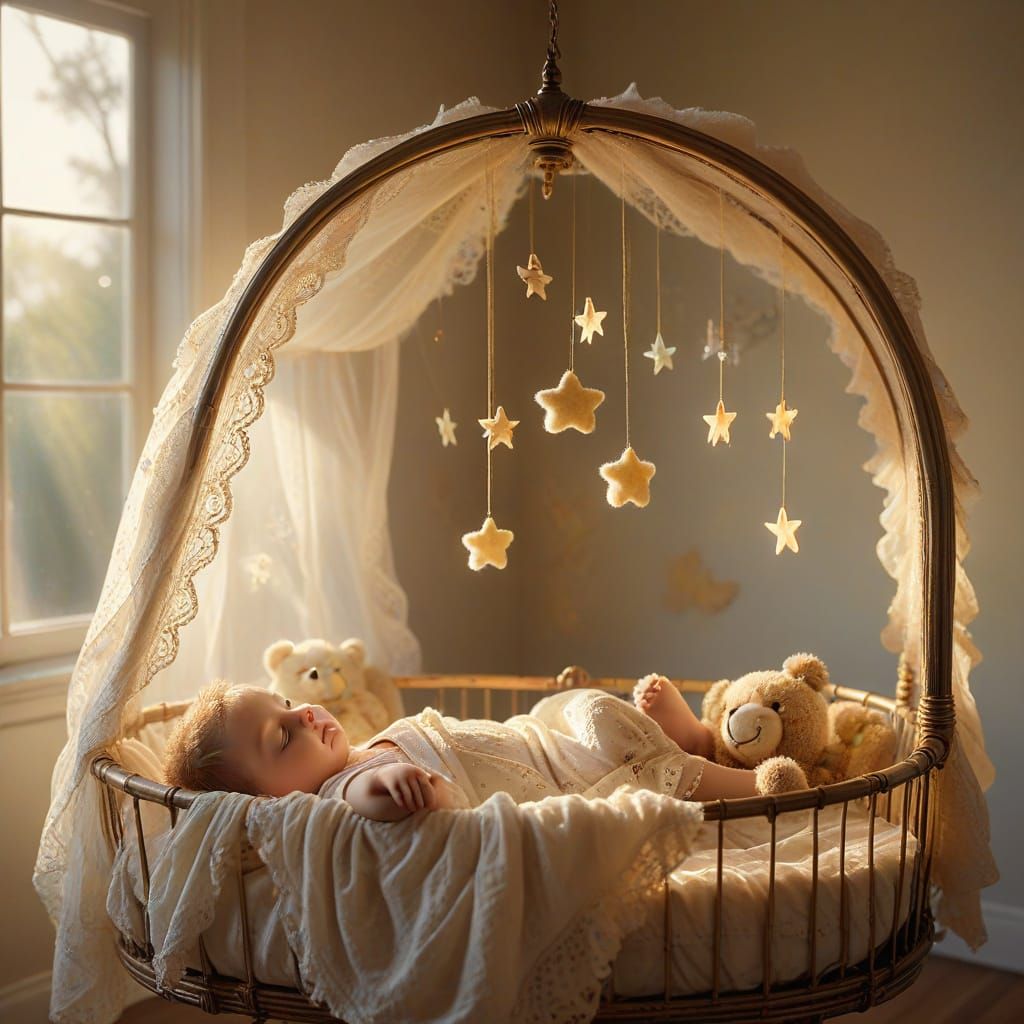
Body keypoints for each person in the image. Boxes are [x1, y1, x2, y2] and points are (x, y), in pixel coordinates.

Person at [162, 674, 761, 821]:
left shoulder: (354, 749)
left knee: (588, 705)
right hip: (571, 781)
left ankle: (694, 741)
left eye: (286, 703)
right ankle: (760, 787)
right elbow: (357, 803)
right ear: (272, 801)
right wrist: (384, 788)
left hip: (542, 741)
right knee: (633, 763)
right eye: (283, 734)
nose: (304, 713)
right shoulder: (337, 788)